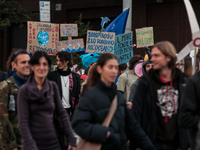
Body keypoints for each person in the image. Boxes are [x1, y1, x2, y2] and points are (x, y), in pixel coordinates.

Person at [72, 53, 155, 150]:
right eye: (110, 67)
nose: (114, 71)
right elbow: (79, 124)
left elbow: (132, 127)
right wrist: (105, 133)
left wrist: (149, 146)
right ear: (99, 69)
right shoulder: (90, 96)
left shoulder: (118, 97)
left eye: (116, 67)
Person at [132, 41, 190, 150]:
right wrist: (139, 143)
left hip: (177, 144)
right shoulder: (146, 83)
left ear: (168, 58)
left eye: (156, 55)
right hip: (152, 143)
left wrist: (187, 140)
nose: (152, 59)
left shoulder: (182, 82)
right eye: (152, 55)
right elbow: (136, 114)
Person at [17, 51, 76, 150]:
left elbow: (62, 114)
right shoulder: (24, 90)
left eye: (45, 64)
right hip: (33, 144)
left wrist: (71, 137)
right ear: (32, 67)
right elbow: (23, 122)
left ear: (49, 67)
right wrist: (30, 145)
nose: (41, 67)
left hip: (54, 143)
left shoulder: (53, 87)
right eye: (38, 64)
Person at [0, 49, 30, 150]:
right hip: (14, 145)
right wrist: (11, 146)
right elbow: (2, 120)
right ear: (14, 65)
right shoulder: (5, 87)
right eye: (23, 62)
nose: (27, 65)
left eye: (29, 62)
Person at [47, 51, 80, 119]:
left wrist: (76, 112)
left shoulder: (75, 77)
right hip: (56, 111)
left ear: (67, 61)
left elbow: (77, 95)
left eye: (61, 60)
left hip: (70, 112)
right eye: (57, 60)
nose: (58, 63)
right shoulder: (51, 76)